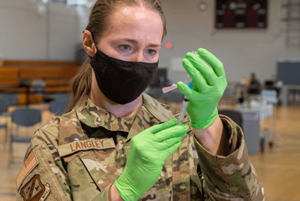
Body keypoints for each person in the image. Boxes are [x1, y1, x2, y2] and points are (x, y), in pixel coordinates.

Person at [16, 0, 264, 200]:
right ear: (90, 43)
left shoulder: (181, 129)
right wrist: (121, 192)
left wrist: (210, 128)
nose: (139, 61)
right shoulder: (51, 143)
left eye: (151, 51)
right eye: (125, 47)